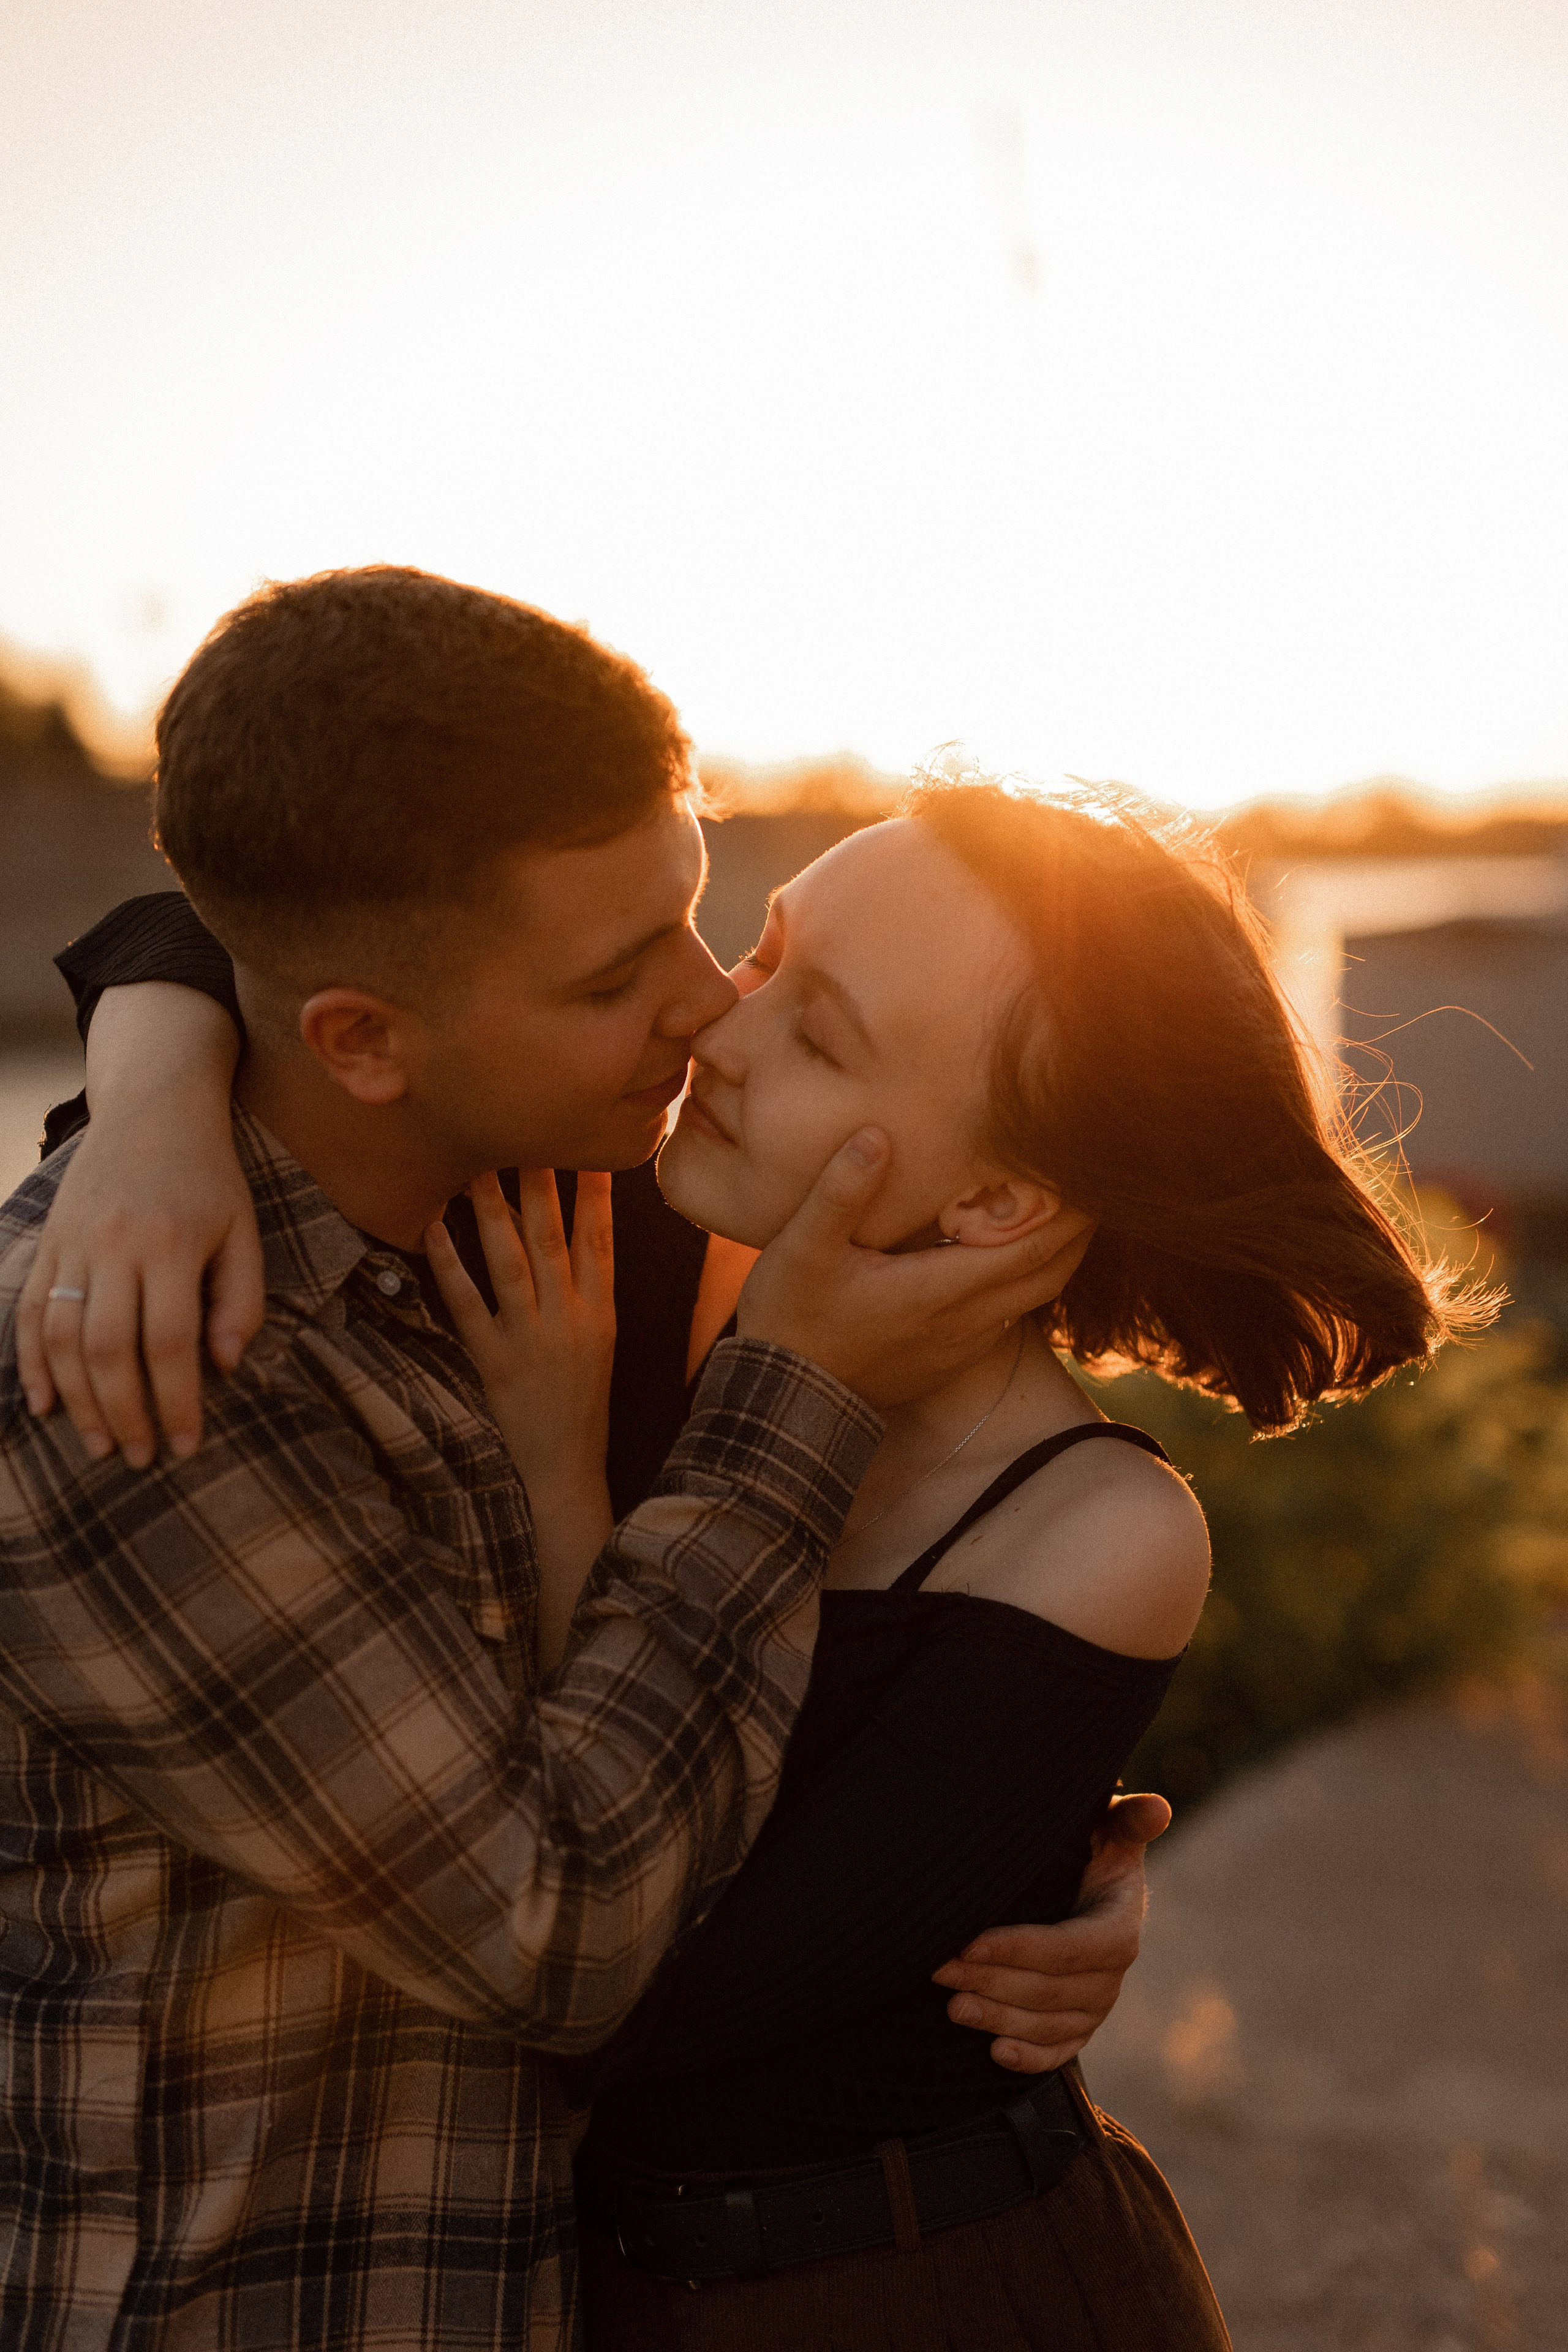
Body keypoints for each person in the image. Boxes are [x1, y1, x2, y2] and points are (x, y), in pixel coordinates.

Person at [0, 568, 1156, 2352]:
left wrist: (1021, 1849)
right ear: (361, 1045)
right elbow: (557, 1940)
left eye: (710, 922)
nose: (707, 1010)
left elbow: (224, 912)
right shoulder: (133, 1371)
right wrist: (795, 1388)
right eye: (624, 977)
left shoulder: (538, 1186)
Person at [419, 777, 1477, 2347]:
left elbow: (627, 2001)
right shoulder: (620, 1226)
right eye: (761, 955)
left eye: (819, 1033)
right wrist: (153, 1107)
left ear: (992, 1198)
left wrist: (567, 1480)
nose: (716, 1029)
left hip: (921, 2288)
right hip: (584, 2289)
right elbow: (293, 911)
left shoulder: (1089, 1533)